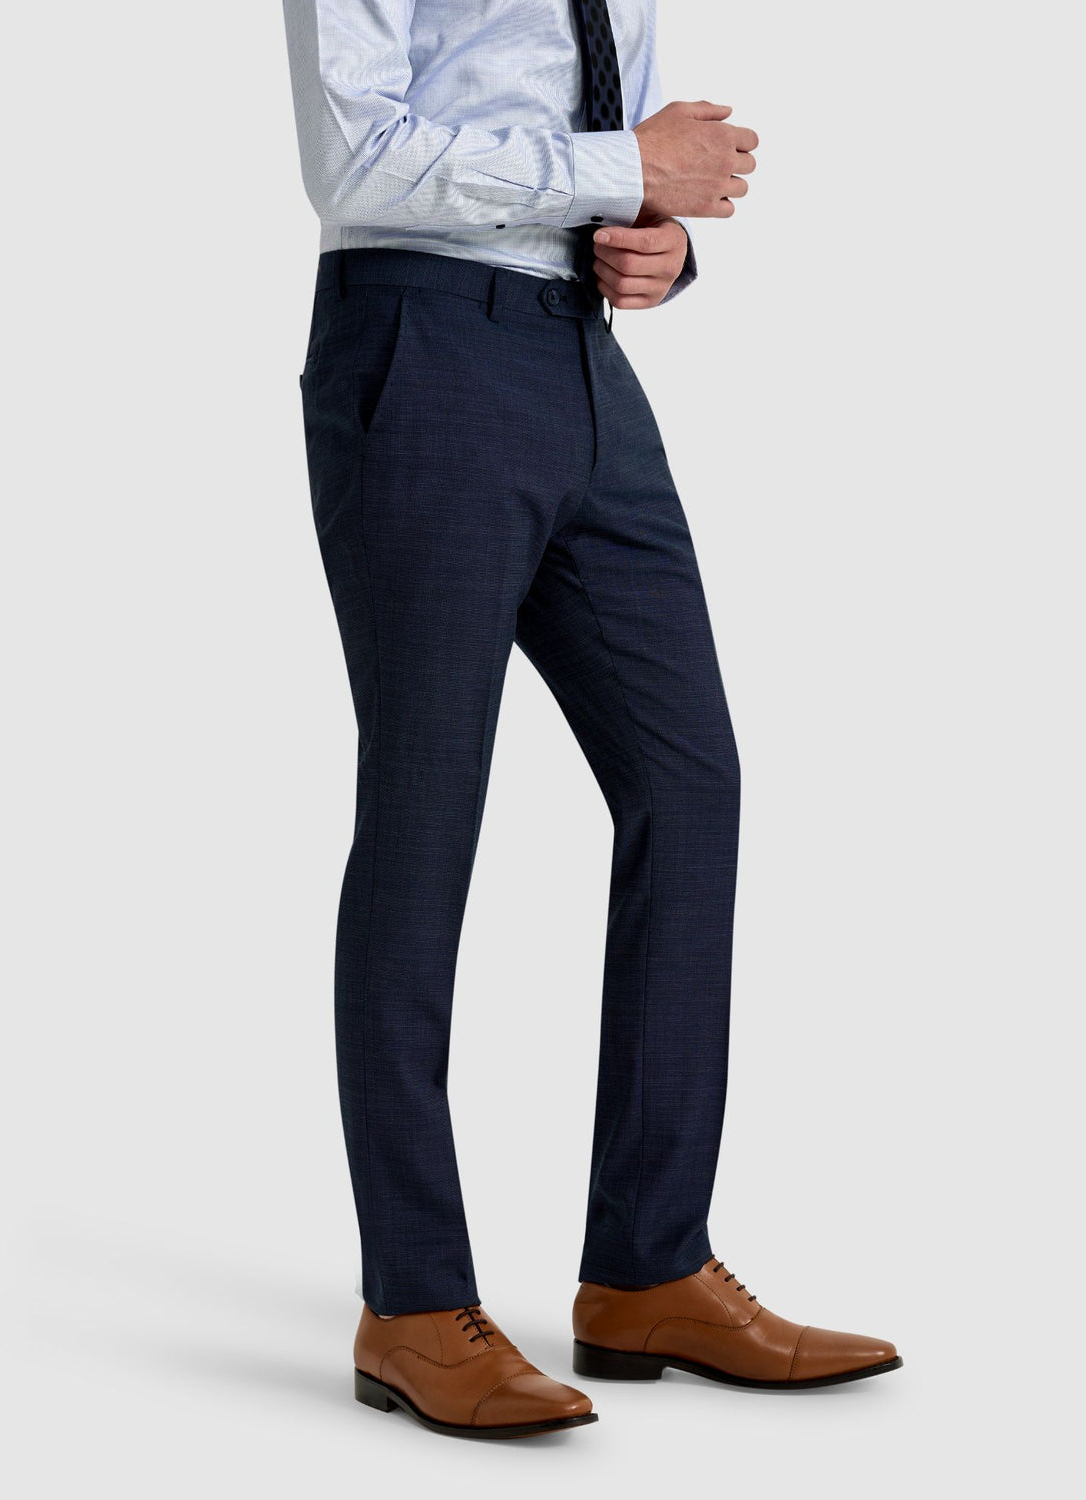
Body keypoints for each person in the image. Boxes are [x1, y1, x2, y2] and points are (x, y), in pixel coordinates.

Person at [281, 0, 900, 1439]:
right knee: (427, 811)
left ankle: (648, 1268)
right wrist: (623, 169)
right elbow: (354, 159)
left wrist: (659, 243)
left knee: (691, 785)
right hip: (421, 340)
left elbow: (635, 163)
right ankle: (413, 1303)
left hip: (581, 359)